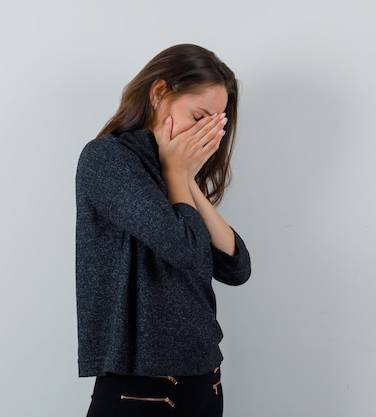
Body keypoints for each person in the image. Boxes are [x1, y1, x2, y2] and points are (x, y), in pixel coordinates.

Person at [75, 44, 251, 417]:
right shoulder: (107, 159)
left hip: (206, 380)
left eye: (215, 122)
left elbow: (237, 268)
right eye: (199, 115)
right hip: (141, 389)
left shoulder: (178, 173)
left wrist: (187, 180)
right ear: (159, 93)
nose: (206, 132)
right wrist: (176, 173)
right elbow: (184, 250)